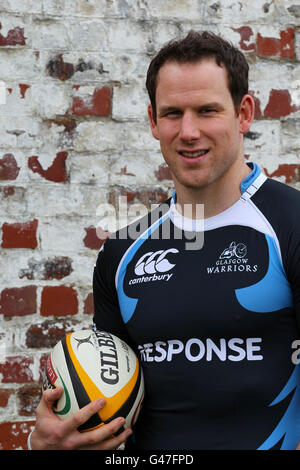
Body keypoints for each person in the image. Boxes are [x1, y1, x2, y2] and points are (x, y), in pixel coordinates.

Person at [29, 30, 300, 450]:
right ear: (153, 121)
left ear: (244, 113)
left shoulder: (291, 226)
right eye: (173, 113)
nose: (188, 131)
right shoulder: (123, 252)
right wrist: (48, 444)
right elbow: (107, 416)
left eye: (207, 110)